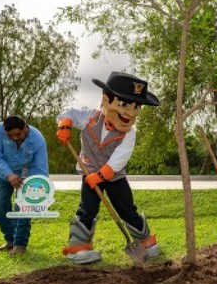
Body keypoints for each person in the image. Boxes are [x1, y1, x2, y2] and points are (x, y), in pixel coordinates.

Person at [56, 71, 161, 264]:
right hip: (89, 174)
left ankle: (146, 242)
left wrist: (102, 175)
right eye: (124, 104)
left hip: (115, 178)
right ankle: (78, 247)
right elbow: (69, 113)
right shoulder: (90, 118)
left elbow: (120, 158)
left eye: (136, 107)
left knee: (127, 209)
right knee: (87, 208)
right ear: (106, 99)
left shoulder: (129, 134)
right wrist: (65, 124)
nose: (129, 113)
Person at [0, 115, 49, 255]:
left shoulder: (38, 140)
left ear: (25, 127)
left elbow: (41, 167)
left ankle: (20, 245)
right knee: (0, 208)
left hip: (27, 174)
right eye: (10, 135)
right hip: (3, 174)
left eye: (18, 134)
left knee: (22, 208)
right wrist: (9, 174)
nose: (14, 137)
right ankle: (10, 241)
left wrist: (35, 186)